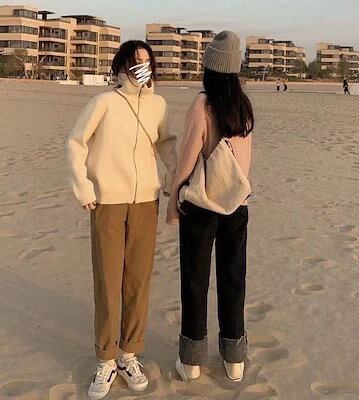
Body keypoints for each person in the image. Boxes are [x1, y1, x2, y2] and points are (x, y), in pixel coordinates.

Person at [66, 40, 177, 399]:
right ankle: (106, 358)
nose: (142, 67)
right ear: (121, 66)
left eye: (147, 61)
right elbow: (76, 143)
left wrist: (173, 180)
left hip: (146, 202)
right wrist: (84, 188)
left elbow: (167, 144)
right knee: (108, 281)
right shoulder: (103, 102)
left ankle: (129, 355)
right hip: (107, 202)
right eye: (135, 62)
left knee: (137, 282)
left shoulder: (158, 104)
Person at [167, 31, 254, 383]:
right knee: (233, 279)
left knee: (195, 281)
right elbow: (244, 163)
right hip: (236, 205)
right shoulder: (243, 106)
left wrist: (173, 200)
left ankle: (192, 362)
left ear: (209, 66)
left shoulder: (203, 104)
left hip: (202, 208)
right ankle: (234, 360)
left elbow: (188, 158)